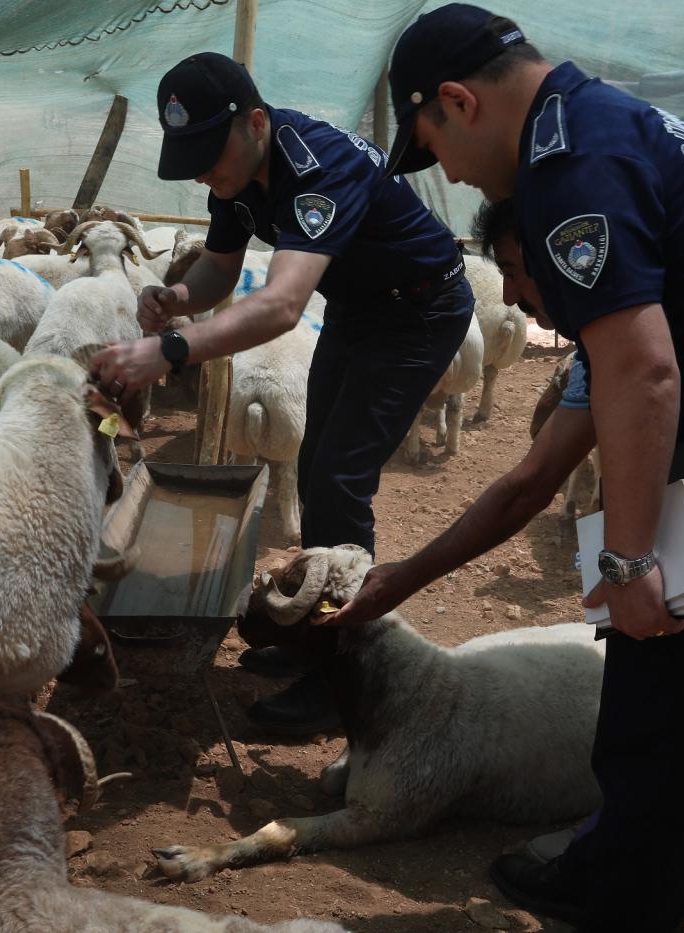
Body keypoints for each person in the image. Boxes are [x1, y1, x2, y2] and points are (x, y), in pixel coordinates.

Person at [355, 5, 684, 931]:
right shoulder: (604, 120)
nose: (453, 173)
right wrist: (407, 578)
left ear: (459, 102)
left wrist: (626, 563)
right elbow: (536, 475)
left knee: (657, 721)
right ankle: (608, 863)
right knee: (652, 699)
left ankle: (625, 903)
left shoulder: (567, 168)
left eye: (436, 149)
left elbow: (643, 368)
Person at [90, 52, 475, 734]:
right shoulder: (235, 178)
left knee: (338, 477)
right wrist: (177, 297)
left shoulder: (316, 169)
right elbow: (218, 267)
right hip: (359, 310)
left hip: (419, 312)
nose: (206, 171)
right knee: (314, 463)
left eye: (210, 152)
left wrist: (170, 349)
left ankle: (342, 671)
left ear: (256, 123)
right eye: (192, 157)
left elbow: (281, 305)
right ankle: (317, 637)